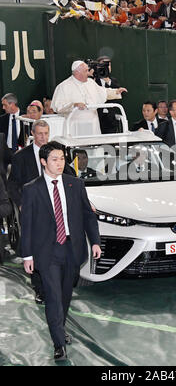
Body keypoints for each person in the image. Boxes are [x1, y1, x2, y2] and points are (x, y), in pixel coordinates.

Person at [21, 141, 101, 361]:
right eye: (54, 159)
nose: (59, 163)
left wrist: (95, 241)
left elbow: (87, 215)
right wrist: (27, 255)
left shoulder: (75, 184)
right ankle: (58, 342)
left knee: (65, 295)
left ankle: (60, 327)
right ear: (43, 161)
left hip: (72, 249)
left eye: (62, 159)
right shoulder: (31, 189)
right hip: (46, 252)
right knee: (54, 297)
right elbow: (26, 224)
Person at [8, 120, 75, 304]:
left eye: (46, 133)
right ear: (32, 133)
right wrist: (21, 204)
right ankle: (40, 288)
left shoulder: (57, 154)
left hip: (56, 210)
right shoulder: (21, 157)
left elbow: (69, 176)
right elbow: (12, 184)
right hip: (33, 212)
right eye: (39, 134)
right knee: (37, 248)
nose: (43, 137)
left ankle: (56, 285)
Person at [51, 60, 127, 114]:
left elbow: (103, 92)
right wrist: (73, 105)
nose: (88, 73)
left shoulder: (90, 82)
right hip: (75, 126)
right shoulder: (63, 87)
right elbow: (58, 107)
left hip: (93, 124)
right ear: (77, 72)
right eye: (86, 71)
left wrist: (116, 92)